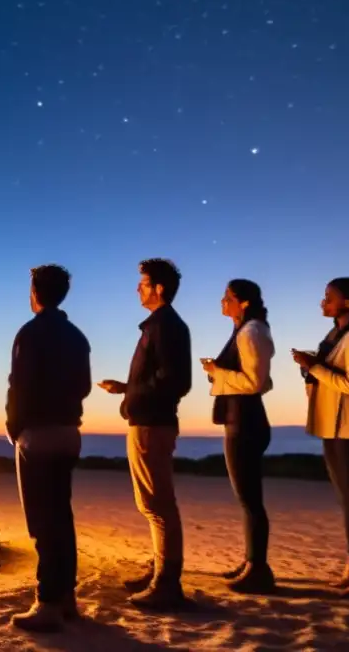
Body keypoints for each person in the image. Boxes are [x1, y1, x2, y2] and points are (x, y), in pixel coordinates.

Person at [98, 258, 192, 610]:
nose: (137, 288)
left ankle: (166, 583)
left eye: (143, 282)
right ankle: (159, 572)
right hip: (148, 420)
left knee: (157, 506)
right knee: (152, 504)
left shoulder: (166, 325)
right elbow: (160, 378)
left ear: (160, 288)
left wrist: (135, 394)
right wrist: (128, 387)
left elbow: (176, 381)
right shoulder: (160, 325)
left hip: (152, 425)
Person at [5, 264, 92, 632]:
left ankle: (47, 602)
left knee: (42, 520)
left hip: (37, 434)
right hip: (69, 432)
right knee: (62, 515)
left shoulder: (30, 333)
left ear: (35, 293)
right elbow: (85, 385)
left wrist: (15, 428)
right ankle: (67, 597)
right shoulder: (77, 336)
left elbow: (19, 385)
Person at [291, 278, 349, 600]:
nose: (323, 301)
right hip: (333, 427)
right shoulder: (335, 336)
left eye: (329, 297)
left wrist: (313, 366)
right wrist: (310, 366)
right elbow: (327, 375)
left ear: (348, 303)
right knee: (347, 502)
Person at [201, 279, 276, 594]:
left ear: (243, 302)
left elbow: (256, 382)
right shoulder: (245, 331)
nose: (222, 300)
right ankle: (251, 563)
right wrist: (217, 372)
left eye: (228, 297)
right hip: (241, 420)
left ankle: (258, 569)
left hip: (246, 423)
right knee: (247, 500)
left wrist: (218, 372)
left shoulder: (251, 332)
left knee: (250, 501)